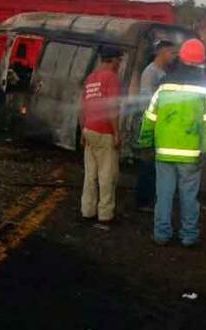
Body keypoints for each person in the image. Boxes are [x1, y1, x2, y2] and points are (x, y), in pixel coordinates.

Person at [138, 39, 206, 247]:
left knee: (163, 194)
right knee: (189, 196)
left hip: (164, 152)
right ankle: (189, 236)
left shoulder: (163, 86)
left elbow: (150, 117)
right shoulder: (205, 90)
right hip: (191, 154)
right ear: (201, 61)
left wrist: (145, 142)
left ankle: (161, 234)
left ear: (181, 57)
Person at [80, 46, 123, 224]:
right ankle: (105, 214)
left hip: (89, 129)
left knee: (90, 174)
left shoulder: (91, 78)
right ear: (112, 60)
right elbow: (111, 108)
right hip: (104, 131)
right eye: (119, 60)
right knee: (107, 175)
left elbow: (82, 107)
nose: (120, 64)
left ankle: (87, 210)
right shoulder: (111, 78)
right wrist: (116, 132)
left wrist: (83, 130)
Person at [135, 40, 175, 212]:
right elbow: (146, 102)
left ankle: (150, 199)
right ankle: (143, 201)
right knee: (147, 165)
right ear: (162, 52)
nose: (173, 56)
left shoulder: (161, 72)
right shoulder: (150, 73)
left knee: (154, 166)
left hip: (159, 126)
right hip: (151, 126)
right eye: (171, 53)